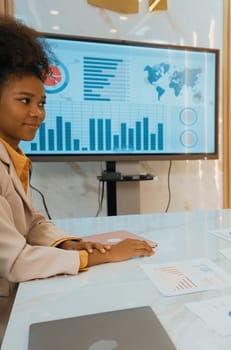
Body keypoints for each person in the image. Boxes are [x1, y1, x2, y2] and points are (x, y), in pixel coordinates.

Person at [0, 15, 154, 306]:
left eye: (42, 103)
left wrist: (69, 243)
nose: (37, 113)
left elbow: (32, 223)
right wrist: (93, 257)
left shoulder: (13, 157)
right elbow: (17, 260)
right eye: (24, 101)